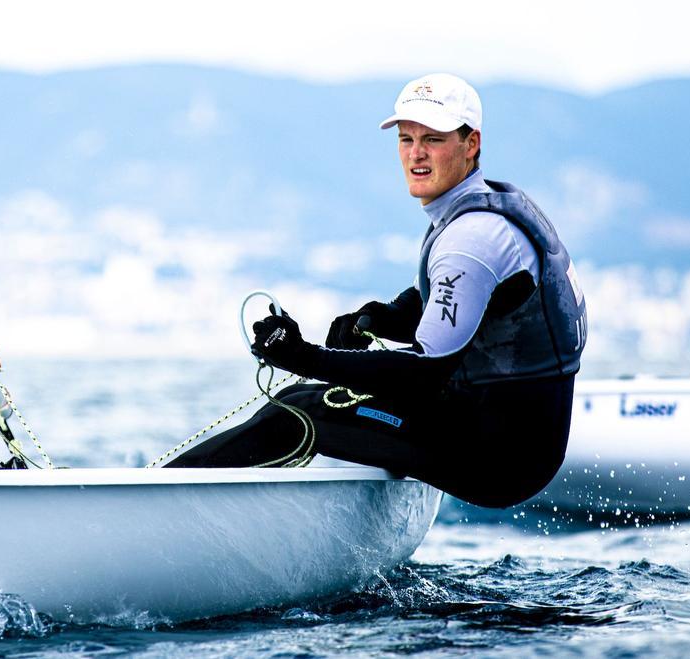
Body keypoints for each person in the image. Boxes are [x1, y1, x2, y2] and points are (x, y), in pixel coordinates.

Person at [167, 73, 587, 510]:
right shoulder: (481, 213)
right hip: (504, 435)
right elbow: (450, 304)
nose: (416, 154)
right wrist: (377, 318)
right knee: (298, 399)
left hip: (497, 459)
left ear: (471, 144)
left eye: (434, 139)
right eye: (406, 139)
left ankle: (160, 501)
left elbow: (426, 371)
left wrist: (302, 356)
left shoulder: (472, 241)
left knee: (301, 412)